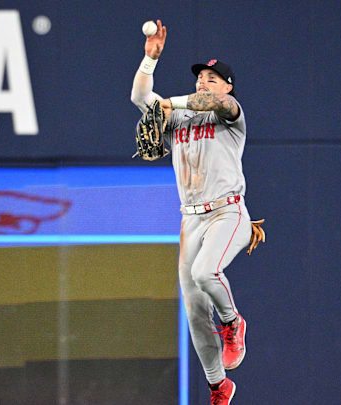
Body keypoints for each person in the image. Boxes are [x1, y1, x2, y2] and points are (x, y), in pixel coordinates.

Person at [131, 20, 257, 405]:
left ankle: (234, 323)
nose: (204, 82)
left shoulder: (231, 115)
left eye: (213, 78)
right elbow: (140, 97)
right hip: (191, 219)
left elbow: (217, 105)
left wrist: (173, 102)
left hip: (229, 213)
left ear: (228, 86)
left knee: (205, 272)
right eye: (202, 76)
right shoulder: (179, 118)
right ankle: (219, 386)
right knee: (194, 307)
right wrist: (150, 60)